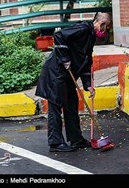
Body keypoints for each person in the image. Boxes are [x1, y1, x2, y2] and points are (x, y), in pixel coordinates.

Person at [35, 12, 112, 152]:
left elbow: (85, 59)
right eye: (106, 28)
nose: (106, 31)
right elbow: (59, 36)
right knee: (56, 106)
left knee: (71, 104)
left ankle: (76, 139)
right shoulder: (82, 28)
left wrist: (88, 84)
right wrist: (65, 59)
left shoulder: (90, 36)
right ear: (100, 24)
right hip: (56, 73)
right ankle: (55, 143)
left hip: (68, 76)